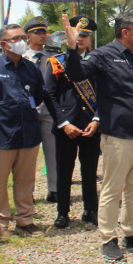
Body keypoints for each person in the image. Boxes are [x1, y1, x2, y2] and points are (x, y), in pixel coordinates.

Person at [62, 12, 133, 261]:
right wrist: (72, 47)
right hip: (118, 134)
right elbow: (76, 74)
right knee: (112, 188)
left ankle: (131, 232)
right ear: (126, 32)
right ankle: (107, 237)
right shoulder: (103, 55)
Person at [0, 24, 50, 240]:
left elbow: (39, 94)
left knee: (25, 181)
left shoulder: (30, 68)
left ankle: (25, 220)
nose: (21, 42)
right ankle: (0, 223)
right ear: (4, 44)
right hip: (1, 137)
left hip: (29, 136)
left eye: (23, 38)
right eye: (16, 38)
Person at [45, 16, 100, 228]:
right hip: (66, 126)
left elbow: (105, 93)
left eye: (84, 35)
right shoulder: (56, 62)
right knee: (64, 170)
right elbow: (49, 95)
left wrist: (97, 119)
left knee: (89, 170)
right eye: (76, 34)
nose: (80, 39)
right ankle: (62, 212)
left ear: (90, 39)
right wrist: (63, 123)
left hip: (90, 126)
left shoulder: (97, 60)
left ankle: (90, 210)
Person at [22, 16, 58, 202]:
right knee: (28, 153)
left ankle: (54, 188)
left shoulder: (52, 58)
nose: (42, 35)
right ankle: (27, 190)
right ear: (28, 36)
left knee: (52, 150)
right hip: (27, 109)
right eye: (38, 32)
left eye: (44, 32)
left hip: (48, 108)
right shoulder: (21, 57)